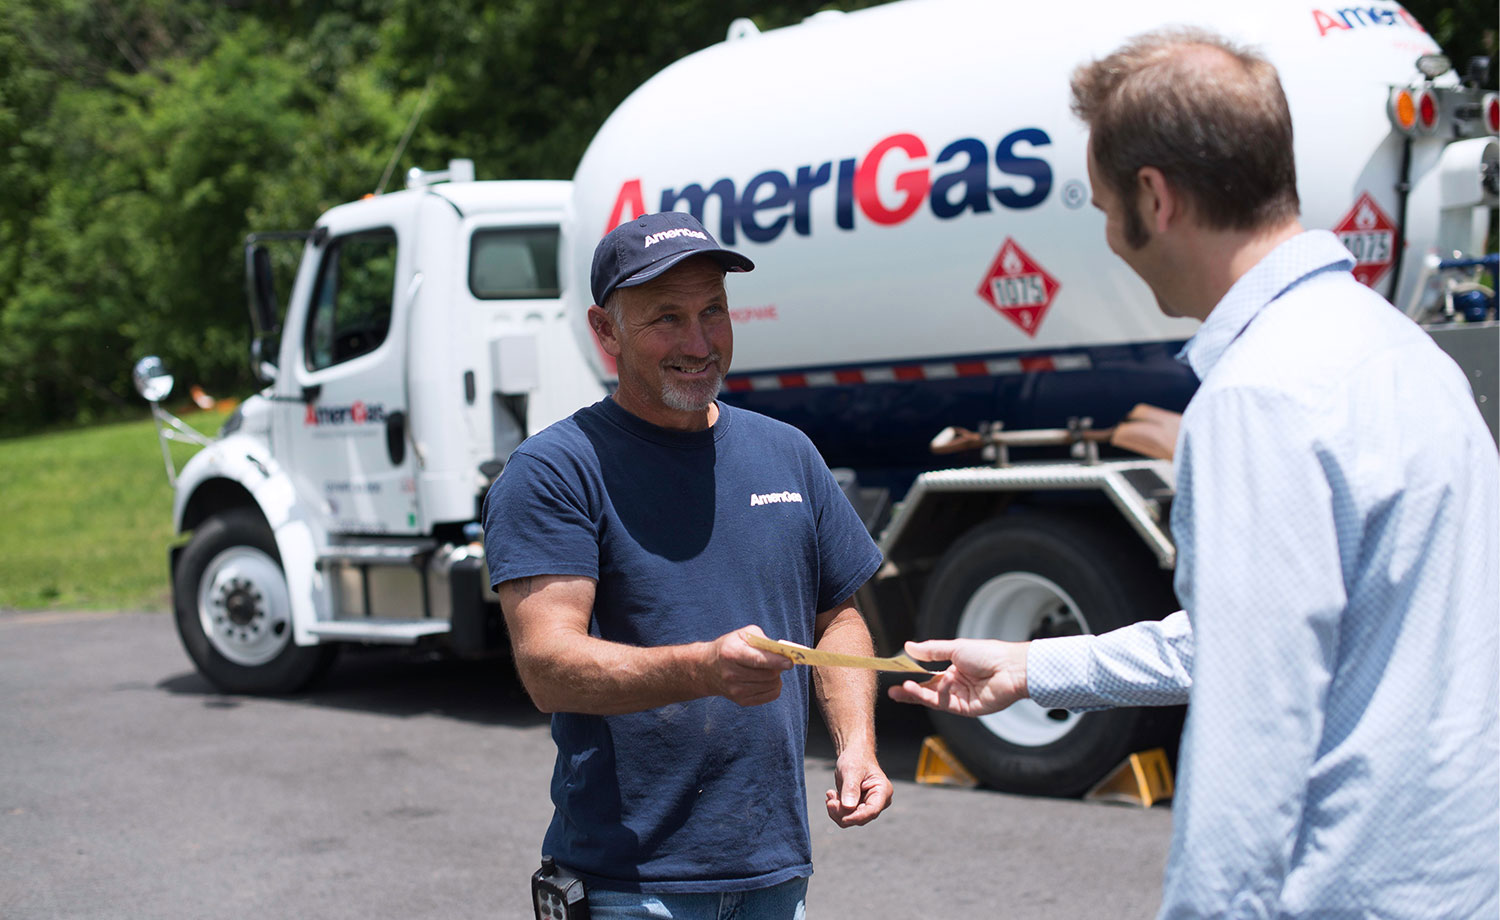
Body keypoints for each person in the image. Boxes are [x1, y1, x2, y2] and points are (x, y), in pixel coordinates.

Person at [891, 27, 1499, 919]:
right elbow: (1260, 637)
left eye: (1104, 208)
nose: (1110, 239)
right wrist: (1036, 666)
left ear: (1155, 197)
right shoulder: (1401, 354)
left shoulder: (1260, 395)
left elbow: (1255, 729)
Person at [483, 210, 892, 919]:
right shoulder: (555, 470)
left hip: (776, 869)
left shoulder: (787, 452)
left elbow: (840, 616)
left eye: (713, 311)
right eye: (666, 319)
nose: (699, 342)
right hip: (629, 883)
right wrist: (703, 668)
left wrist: (856, 743)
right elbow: (547, 666)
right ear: (606, 331)